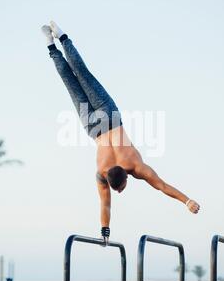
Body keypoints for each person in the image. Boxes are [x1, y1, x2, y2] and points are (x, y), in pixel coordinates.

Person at [42, 21, 200, 245]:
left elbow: (160, 186)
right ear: (123, 177)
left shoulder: (135, 167)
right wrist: (104, 232)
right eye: (121, 189)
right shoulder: (105, 173)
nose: (119, 192)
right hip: (92, 126)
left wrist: (188, 201)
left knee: (82, 76)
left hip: (109, 117)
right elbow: (109, 203)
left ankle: (61, 38)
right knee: (74, 81)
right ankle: (52, 43)